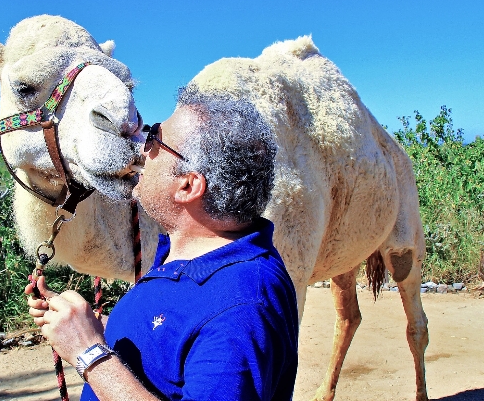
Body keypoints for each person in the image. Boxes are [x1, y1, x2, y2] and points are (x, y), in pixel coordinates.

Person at [26, 86, 299, 400]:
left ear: (187, 185)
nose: (142, 147)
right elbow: (174, 341)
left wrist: (89, 354)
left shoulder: (242, 303)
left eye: (155, 137)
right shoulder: (187, 257)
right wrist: (85, 326)